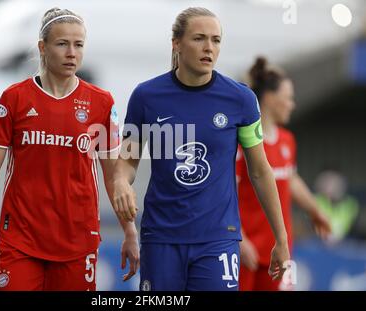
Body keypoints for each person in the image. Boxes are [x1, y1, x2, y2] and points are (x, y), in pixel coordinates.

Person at [111, 7, 290, 291]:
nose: (209, 48)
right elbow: (128, 160)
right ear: (176, 43)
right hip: (162, 237)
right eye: (199, 39)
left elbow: (260, 171)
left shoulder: (241, 99)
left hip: (218, 238)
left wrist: (281, 238)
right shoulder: (146, 96)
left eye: (216, 40)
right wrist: (120, 180)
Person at [0, 8, 139, 291]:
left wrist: (129, 231)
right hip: (20, 241)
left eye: (79, 45)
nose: (72, 52)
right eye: (62, 44)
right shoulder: (15, 98)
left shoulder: (100, 102)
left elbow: (114, 177)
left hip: (77, 242)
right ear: (43, 47)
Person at [236, 57, 332, 291]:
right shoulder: (241, 144)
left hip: (278, 252)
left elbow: (290, 179)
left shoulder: (287, 140)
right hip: (244, 250)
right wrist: (238, 237)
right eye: (288, 98)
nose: (292, 104)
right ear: (269, 98)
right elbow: (224, 192)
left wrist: (315, 210)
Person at [314, 169, 358, 242]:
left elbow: (357, 230)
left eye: (333, 182)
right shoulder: (316, 200)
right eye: (326, 182)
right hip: (318, 245)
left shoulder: (351, 204)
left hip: (345, 245)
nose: (329, 186)